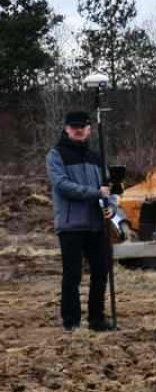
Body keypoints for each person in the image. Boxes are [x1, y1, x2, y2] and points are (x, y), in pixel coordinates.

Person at [46, 111, 114, 333]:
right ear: (66, 129)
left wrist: (111, 205)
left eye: (82, 126)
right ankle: (71, 322)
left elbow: (107, 189)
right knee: (73, 274)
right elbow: (63, 186)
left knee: (101, 270)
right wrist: (96, 193)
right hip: (71, 225)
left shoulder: (96, 156)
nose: (78, 130)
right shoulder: (56, 154)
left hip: (96, 224)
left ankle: (97, 319)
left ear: (89, 129)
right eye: (73, 126)